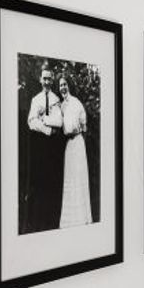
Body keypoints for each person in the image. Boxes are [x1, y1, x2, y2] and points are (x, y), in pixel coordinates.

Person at [24, 67, 64, 233]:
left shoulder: (56, 99)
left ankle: (51, 220)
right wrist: (47, 129)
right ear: (41, 80)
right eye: (44, 79)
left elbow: (59, 122)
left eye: (49, 79)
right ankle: (37, 221)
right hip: (40, 145)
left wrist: (44, 118)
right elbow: (31, 122)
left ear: (52, 80)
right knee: (39, 182)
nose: (47, 82)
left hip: (52, 148)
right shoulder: (36, 99)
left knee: (51, 182)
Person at [58, 75, 93, 228]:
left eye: (65, 84)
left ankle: (81, 219)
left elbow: (84, 125)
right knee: (69, 180)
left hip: (78, 143)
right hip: (68, 145)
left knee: (79, 179)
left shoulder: (76, 103)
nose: (63, 88)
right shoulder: (61, 106)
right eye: (60, 86)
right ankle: (69, 221)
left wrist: (78, 131)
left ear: (69, 86)